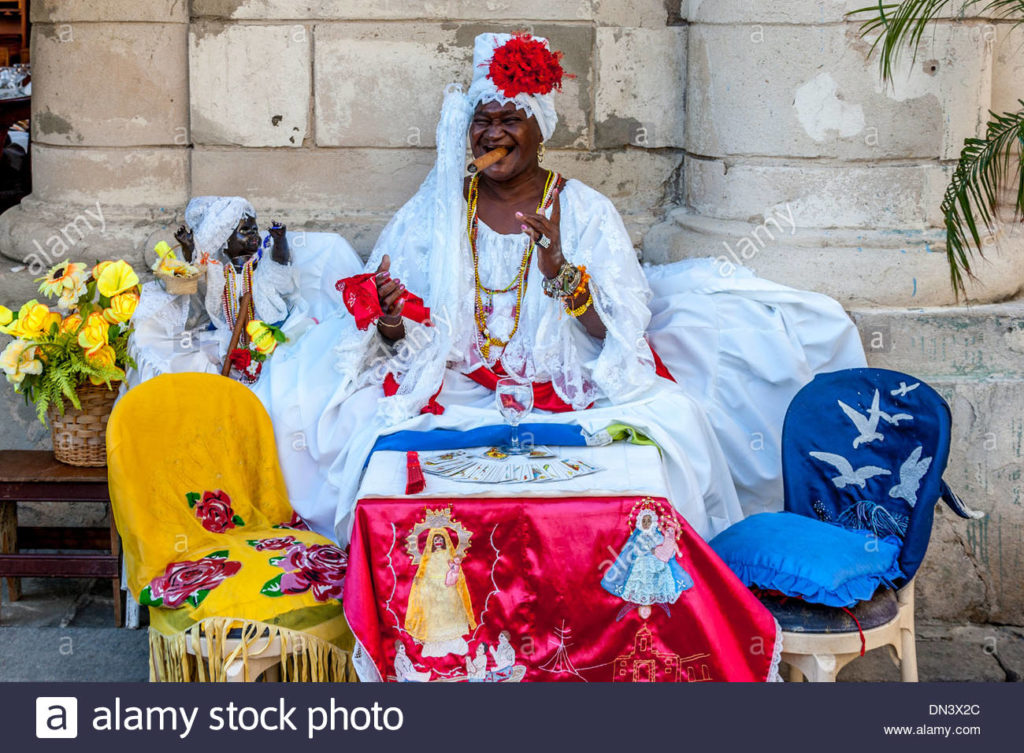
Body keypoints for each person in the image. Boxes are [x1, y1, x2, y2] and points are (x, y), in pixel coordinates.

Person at [254, 32, 865, 545]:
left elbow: (618, 332)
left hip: (567, 389)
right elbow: (398, 335)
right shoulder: (434, 212)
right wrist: (390, 320)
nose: (493, 134)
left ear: (539, 128)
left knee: (676, 432)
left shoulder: (587, 211)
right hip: (460, 393)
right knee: (366, 442)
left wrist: (562, 276)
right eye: (483, 121)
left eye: (509, 120)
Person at [126, 196, 361, 387]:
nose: (253, 237)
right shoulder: (219, 270)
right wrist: (190, 249)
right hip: (228, 335)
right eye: (245, 231)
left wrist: (280, 243)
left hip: (271, 331)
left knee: (288, 365)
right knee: (192, 359)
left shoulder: (261, 263)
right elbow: (198, 277)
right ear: (224, 242)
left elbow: (279, 271)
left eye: (254, 230)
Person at [404, 529, 477, 658]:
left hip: (448, 592)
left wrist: (453, 577)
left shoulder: (449, 555)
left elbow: (456, 573)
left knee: (449, 617)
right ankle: (434, 647)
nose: (438, 542)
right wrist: (423, 584)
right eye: (435, 540)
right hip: (433, 593)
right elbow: (424, 574)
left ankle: (454, 644)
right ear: (431, 542)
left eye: (440, 539)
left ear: (445, 541)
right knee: (434, 619)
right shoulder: (428, 557)